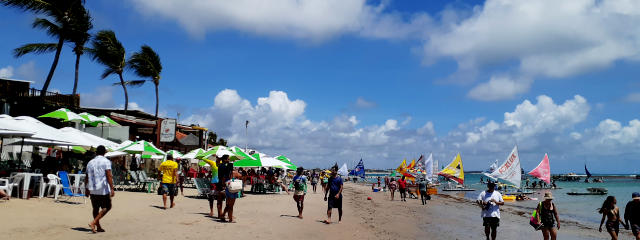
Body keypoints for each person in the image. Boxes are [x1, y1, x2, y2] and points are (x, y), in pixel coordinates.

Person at [85, 146, 114, 233]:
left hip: (92, 188)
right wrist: (112, 188)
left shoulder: (90, 162)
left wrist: (86, 188)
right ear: (104, 152)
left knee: (95, 208)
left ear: (96, 152)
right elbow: (109, 175)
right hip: (102, 189)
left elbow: (86, 177)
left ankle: (98, 227)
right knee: (107, 207)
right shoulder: (106, 161)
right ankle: (93, 223)